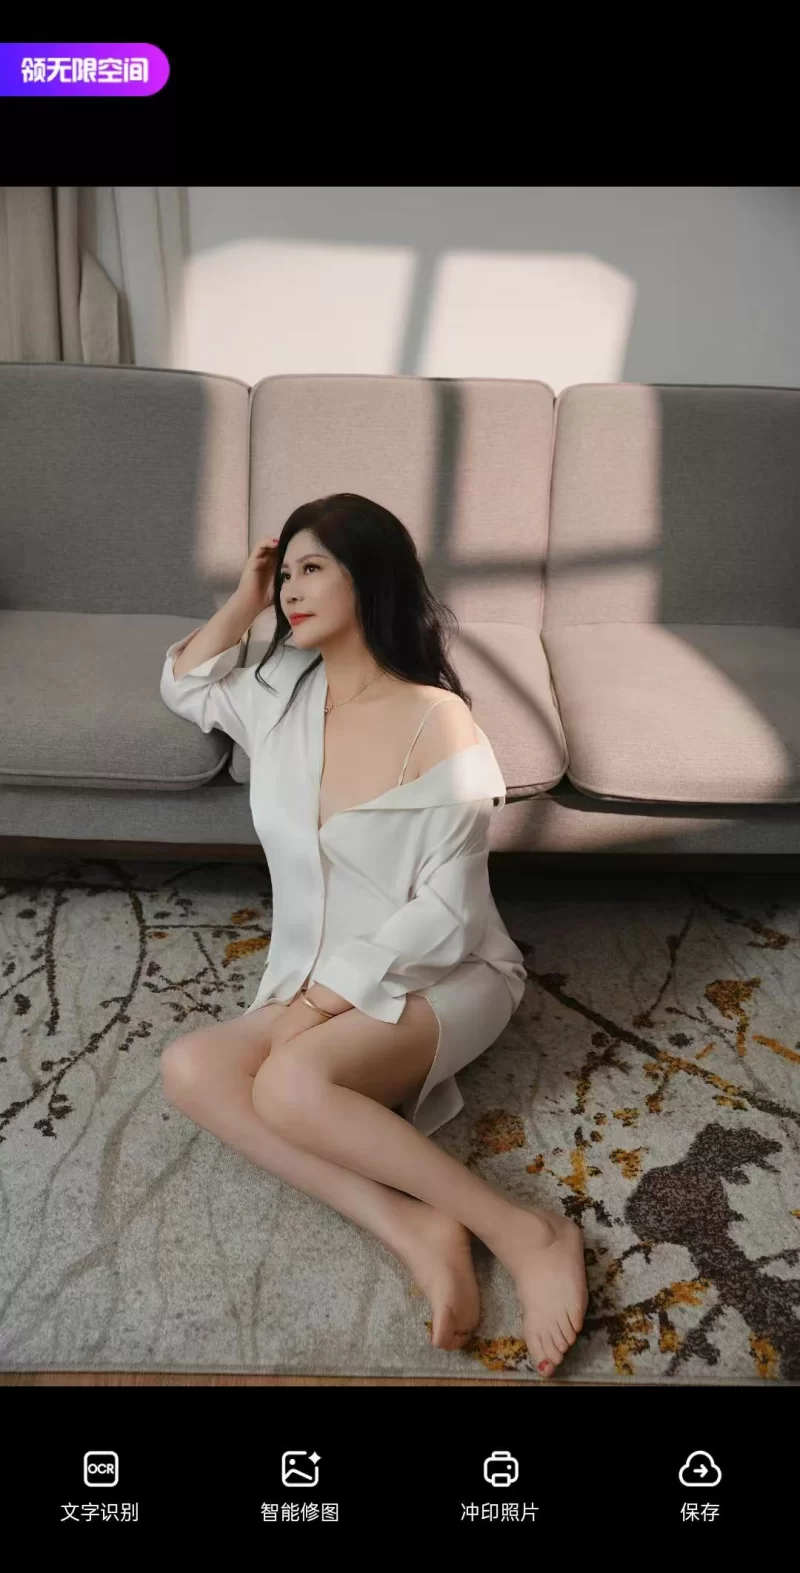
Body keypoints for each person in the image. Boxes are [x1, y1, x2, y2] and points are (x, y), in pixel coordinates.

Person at [158, 493, 588, 1374]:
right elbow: (185, 683)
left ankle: (526, 1231)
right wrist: (243, 598)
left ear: (372, 577)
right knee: (190, 1067)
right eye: (287, 574)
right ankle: (414, 1226)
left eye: (314, 568)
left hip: (446, 972)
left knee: (288, 1085)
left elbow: (448, 912)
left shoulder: (441, 721)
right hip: (310, 976)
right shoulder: (280, 696)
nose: (292, 590)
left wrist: (318, 1006)